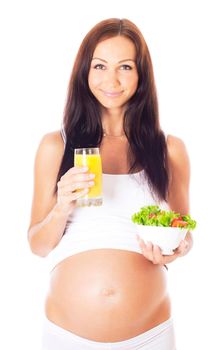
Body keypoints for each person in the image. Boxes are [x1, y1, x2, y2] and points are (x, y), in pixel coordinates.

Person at [28, 18, 193, 350]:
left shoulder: (169, 149)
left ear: (141, 74)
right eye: (100, 65)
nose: (111, 80)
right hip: (67, 336)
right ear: (85, 72)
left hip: (151, 335)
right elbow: (38, 245)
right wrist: (62, 205)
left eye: (125, 67)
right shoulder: (56, 146)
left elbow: (181, 231)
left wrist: (176, 250)